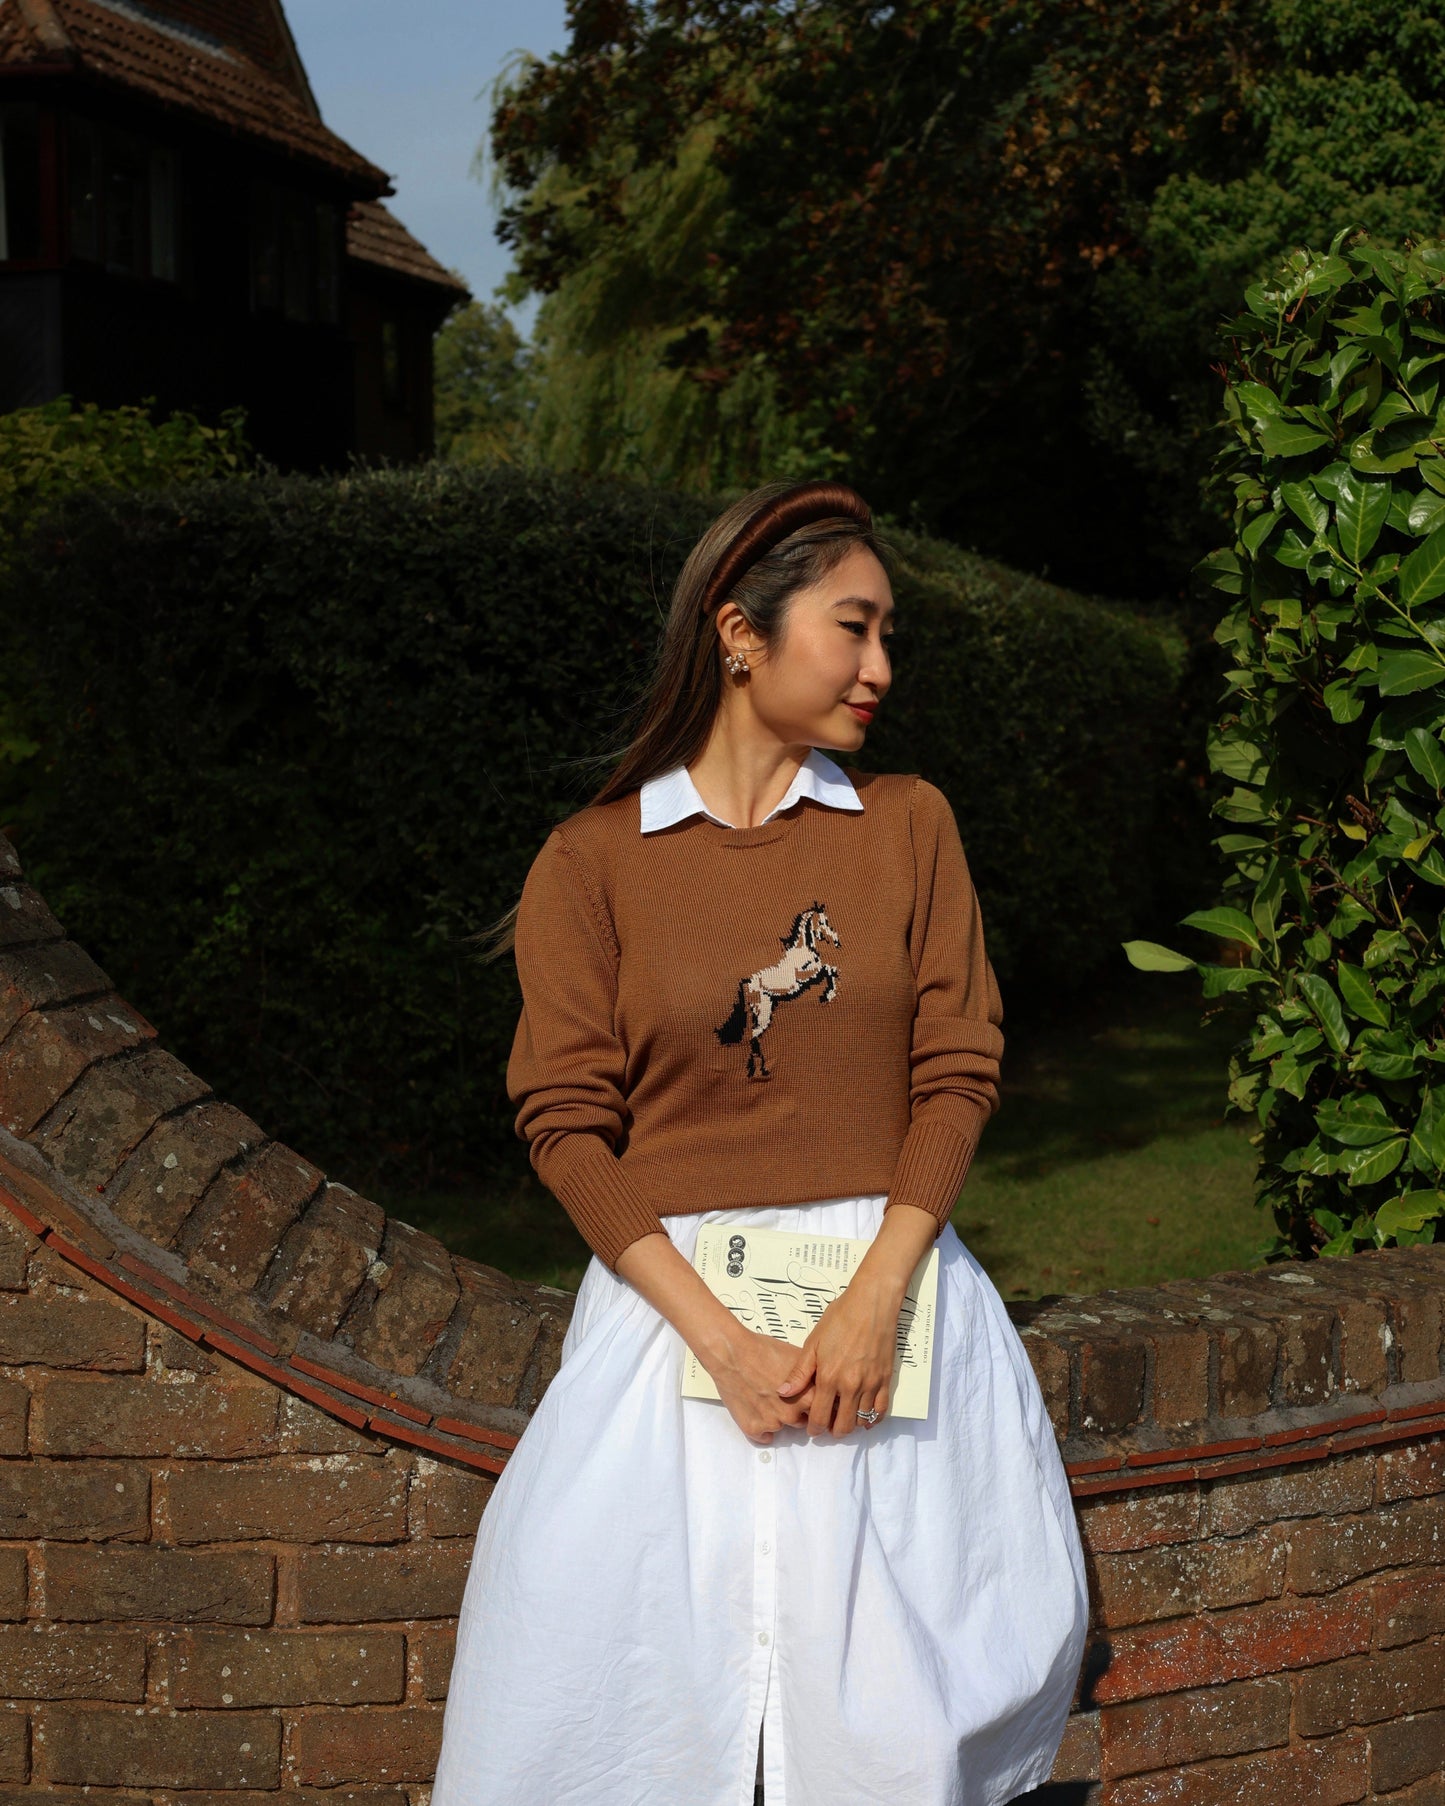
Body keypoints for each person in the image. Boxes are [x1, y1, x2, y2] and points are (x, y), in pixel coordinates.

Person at [430, 480, 1088, 1806]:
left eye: (888, 633)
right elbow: (563, 1122)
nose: (881, 665)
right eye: (854, 627)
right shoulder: (592, 862)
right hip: (670, 1332)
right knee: (610, 1719)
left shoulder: (910, 825)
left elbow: (957, 1068)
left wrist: (874, 1297)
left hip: (889, 1328)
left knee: (889, 1738)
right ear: (740, 632)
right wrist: (721, 1343)